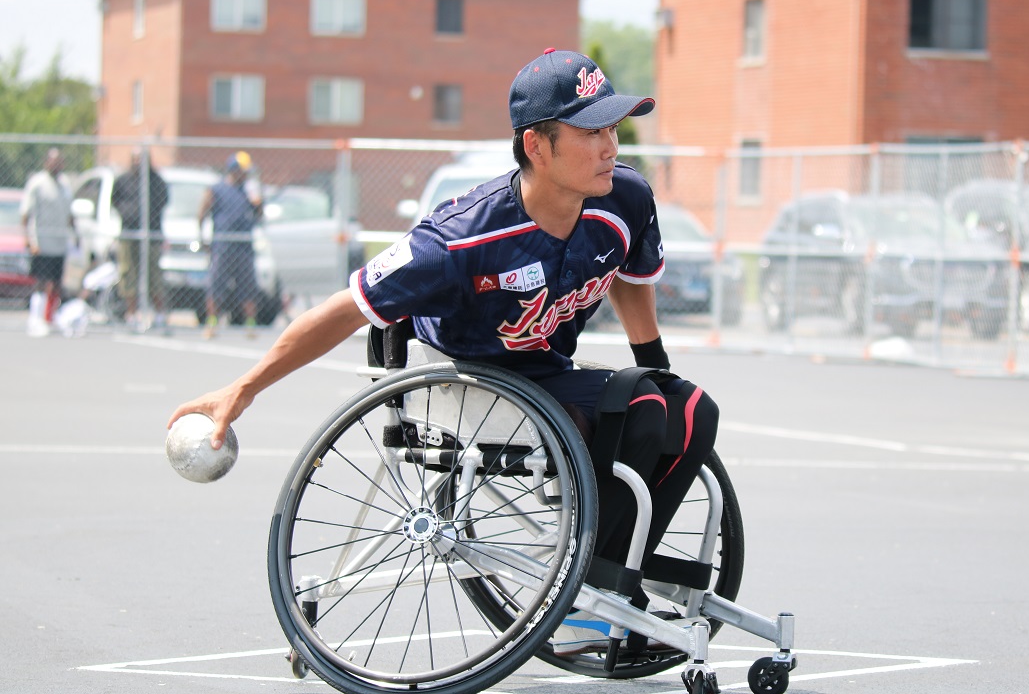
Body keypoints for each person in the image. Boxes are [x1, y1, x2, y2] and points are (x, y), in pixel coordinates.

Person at [168, 48, 719, 655]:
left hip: (546, 373)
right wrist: (243, 388)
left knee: (691, 410)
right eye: (591, 132)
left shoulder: (624, 200)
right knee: (641, 408)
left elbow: (630, 281)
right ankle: (587, 593)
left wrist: (657, 368)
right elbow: (342, 311)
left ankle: (614, 571)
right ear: (537, 145)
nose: (611, 146)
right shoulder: (458, 240)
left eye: (613, 128)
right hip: (464, 382)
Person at [197, 151, 262, 339]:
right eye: (243, 171)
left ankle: (250, 325)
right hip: (223, 245)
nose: (246, 175)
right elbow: (202, 213)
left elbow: (259, 215)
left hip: (244, 246)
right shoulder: (217, 189)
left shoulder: (249, 191)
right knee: (216, 284)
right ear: (233, 170)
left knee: (248, 286)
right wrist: (203, 239)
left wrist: (258, 202)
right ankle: (212, 323)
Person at [112, 149, 170, 333]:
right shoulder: (123, 180)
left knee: (153, 274)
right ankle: (132, 314)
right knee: (128, 273)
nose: (139, 163)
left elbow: (163, 201)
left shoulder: (157, 181)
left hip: (151, 234)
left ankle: (160, 315)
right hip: (129, 234)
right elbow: (115, 201)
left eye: (142, 160)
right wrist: (128, 213)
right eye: (135, 159)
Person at [20, 148, 74, 337]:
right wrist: (28, 238)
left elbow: (70, 214)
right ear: (46, 163)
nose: (57, 165)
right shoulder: (37, 183)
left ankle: (49, 318)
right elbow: (26, 214)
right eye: (53, 161)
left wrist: (76, 236)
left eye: (60, 162)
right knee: (41, 282)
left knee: (56, 283)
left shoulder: (65, 185)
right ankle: (35, 319)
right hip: (42, 242)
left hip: (59, 242)